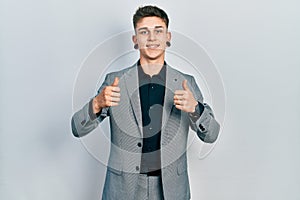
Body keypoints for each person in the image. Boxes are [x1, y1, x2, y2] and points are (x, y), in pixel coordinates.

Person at [71, 5, 220, 200]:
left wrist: (196, 109)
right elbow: (77, 128)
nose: (152, 38)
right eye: (144, 32)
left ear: (168, 38)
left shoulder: (186, 83)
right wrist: (97, 104)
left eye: (158, 31)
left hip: (171, 189)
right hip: (123, 189)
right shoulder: (114, 81)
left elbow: (211, 135)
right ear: (135, 40)